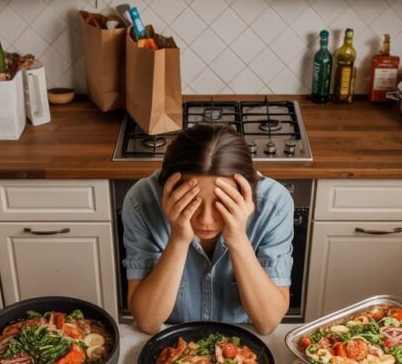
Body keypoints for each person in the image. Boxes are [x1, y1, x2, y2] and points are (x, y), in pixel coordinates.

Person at [122, 123, 294, 334]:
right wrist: (178, 239)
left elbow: (268, 323)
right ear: (167, 188)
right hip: (174, 343)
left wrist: (238, 239)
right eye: (191, 202)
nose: (206, 221)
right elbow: (148, 322)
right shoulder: (141, 202)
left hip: (242, 345)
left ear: (245, 191)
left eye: (222, 204)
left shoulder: (274, 203)